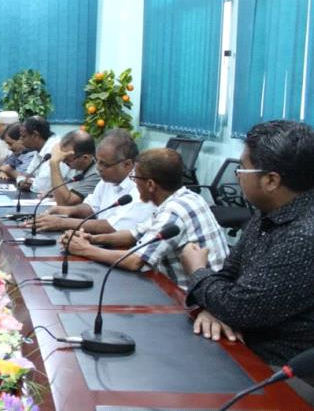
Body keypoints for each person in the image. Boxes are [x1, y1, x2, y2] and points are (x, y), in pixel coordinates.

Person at [181, 120, 314, 370]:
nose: (238, 175)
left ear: (271, 181)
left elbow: (239, 307)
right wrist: (214, 308)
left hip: (283, 368)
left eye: (242, 168)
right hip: (243, 341)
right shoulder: (268, 212)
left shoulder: (304, 236)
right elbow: (230, 276)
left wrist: (197, 270)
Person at [62, 148, 228, 289]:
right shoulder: (187, 197)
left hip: (193, 300)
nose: (133, 184)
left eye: (135, 178)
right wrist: (92, 239)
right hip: (197, 289)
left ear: (150, 184)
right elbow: (134, 234)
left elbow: (135, 261)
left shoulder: (174, 211)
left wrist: (84, 249)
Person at [30, 129, 155, 234]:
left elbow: (112, 227)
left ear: (127, 164)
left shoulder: (140, 187)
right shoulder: (107, 179)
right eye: (98, 161)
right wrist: (66, 211)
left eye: (104, 164)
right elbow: (92, 207)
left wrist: (62, 222)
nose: (98, 168)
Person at [46, 129, 101, 206]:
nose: (63, 162)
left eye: (67, 159)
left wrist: (54, 163)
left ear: (85, 158)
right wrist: (54, 194)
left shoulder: (97, 173)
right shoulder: (79, 166)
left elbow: (65, 203)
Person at [16, 116, 60, 193]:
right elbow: (27, 175)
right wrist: (21, 180)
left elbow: (41, 187)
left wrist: (30, 182)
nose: (20, 140)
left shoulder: (53, 148)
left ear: (35, 135)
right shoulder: (39, 148)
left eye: (23, 136)